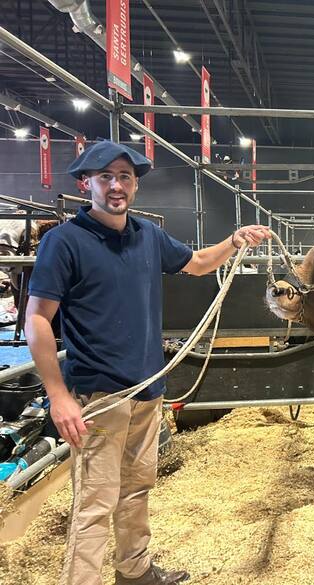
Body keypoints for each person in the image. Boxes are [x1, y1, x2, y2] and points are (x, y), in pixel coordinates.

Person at [24, 141, 270, 585]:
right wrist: (58, 396)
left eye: (125, 177)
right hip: (101, 394)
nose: (116, 186)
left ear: (135, 185)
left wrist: (234, 242)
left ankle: (134, 572)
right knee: (95, 504)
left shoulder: (147, 235)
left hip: (147, 389)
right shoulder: (64, 242)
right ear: (86, 184)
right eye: (106, 177)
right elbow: (38, 319)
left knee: (137, 489)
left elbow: (195, 264)